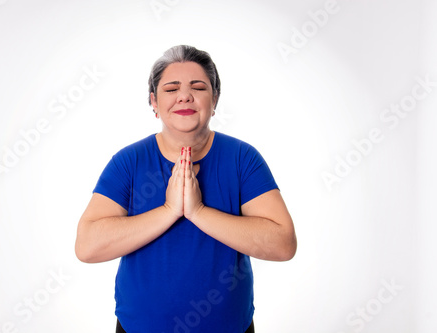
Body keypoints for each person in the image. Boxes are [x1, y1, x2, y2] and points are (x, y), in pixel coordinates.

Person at [75, 45, 297, 333]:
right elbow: (87, 246)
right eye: (171, 88)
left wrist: (198, 212)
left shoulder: (243, 158)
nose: (184, 96)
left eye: (198, 87)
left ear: (214, 99)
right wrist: (169, 211)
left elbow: (283, 243)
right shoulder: (128, 162)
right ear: (153, 102)